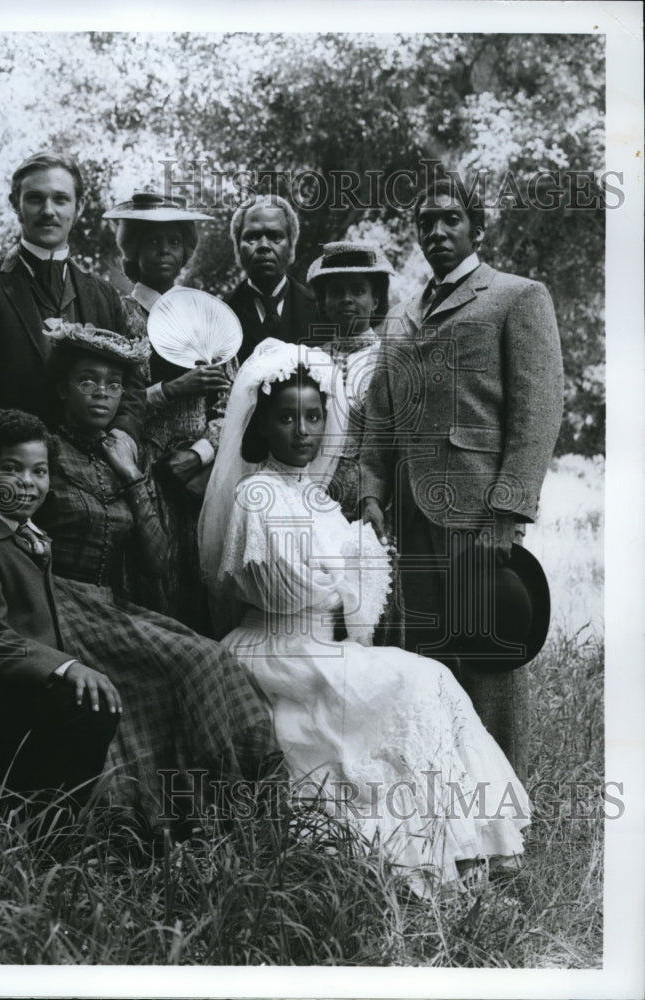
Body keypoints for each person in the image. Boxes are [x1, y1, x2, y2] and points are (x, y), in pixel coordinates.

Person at [198, 339, 530, 896]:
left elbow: (348, 603)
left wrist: (362, 560)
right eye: (286, 418)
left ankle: (465, 844)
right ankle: (429, 851)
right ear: (261, 425)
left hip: (320, 646)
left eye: (313, 417)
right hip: (277, 648)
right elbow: (287, 593)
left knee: (431, 679)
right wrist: (350, 568)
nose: (302, 431)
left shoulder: (319, 500)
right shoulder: (258, 495)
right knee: (414, 681)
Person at [0, 324, 282, 837]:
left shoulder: (124, 451)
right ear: (62, 388)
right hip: (53, 605)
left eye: (113, 384)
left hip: (109, 604)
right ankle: (132, 819)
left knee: (208, 659)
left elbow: (157, 560)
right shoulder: (41, 452)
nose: (101, 394)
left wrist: (130, 474)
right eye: (87, 381)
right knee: (175, 670)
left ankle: (228, 808)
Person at [359, 176, 564, 779]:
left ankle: (505, 806)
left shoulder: (516, 297)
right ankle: (441, 800)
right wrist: (371, 495)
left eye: (451, 219)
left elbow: (538, 412)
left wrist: (507, 511)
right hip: (408, 519)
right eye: (426, 223)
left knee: (487, 657)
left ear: (478, 228)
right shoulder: (401, 317)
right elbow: (379, 419)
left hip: (477, 515)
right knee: (424, 662)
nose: (437, 232)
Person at [0, 409, 121, 800]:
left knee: (98, 697)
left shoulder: (31, 535)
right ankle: (39, 816)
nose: (27, 481)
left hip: (24, 686)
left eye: (39, 471)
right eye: (10, 468)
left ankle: (51, 806)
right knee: (90, 707)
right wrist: (66, 666)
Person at [0, 152, 144, 451]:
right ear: (16, 204)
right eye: (35, 198)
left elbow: (132, 385)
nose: (48, 210)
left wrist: (121, 439)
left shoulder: (104, 295)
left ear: (78, 207)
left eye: (60, 199)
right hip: (14, 467)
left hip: (98, 467)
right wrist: (18, 457)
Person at [103, 190, 232, 631]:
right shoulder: (118, 315)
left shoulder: (208, 315)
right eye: (152, 241)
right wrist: (172, 389)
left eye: (174, 241)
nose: (164, 251)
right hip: (140, 468)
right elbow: (109, 399)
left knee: (199, 580)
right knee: (150, 582)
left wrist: (200, 453)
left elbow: (230, 405)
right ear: (132, 249)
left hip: (200, 478)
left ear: (186, 250)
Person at [306, 241, 393, 522]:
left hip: (372, 500)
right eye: (335, 292)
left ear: (375, 300)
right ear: (323, 302)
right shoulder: (310, 360)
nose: (346, 299)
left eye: (357, 290)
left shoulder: (390, 360)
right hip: (314, 493)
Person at [225, 194, 318, 363]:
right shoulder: (221, 315)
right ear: (237, 249)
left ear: (291, 246)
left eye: (275, 236)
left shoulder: (320, 310)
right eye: (252, 237)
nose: (263, 246)